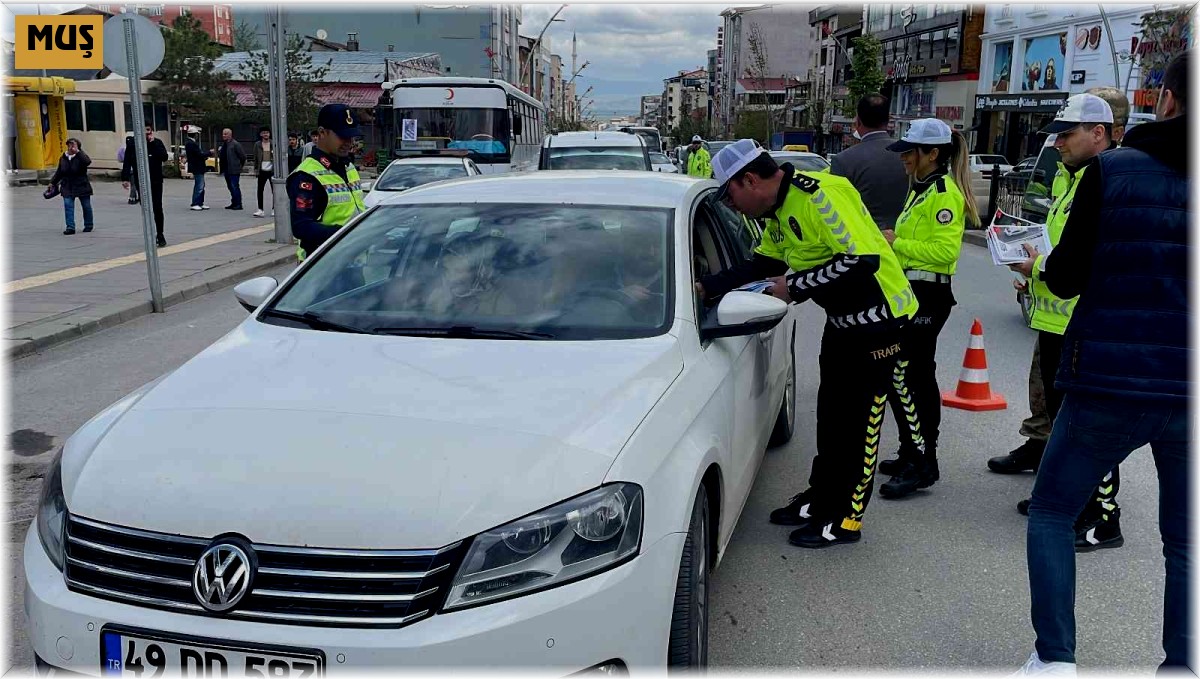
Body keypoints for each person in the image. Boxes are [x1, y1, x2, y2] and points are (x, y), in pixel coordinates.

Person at [1015, 51, 1190, 676]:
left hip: (1108, 382)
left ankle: (1056, 657)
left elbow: (1061, 279)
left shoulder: (1112, 172)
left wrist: (1038, 267)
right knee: (1185, 542)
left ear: (1165, 99)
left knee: (1054, 511)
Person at [696, 140, 919, 548]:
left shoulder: (821, 195)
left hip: (879, 324)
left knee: (859, 427)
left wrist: (793, 287)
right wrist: (706, 287)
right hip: (842, 322)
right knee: (832, 418)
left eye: (731, 196)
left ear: (750, 180)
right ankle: (822, 499)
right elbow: (763, 263)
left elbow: (861, 260)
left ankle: (847, 518)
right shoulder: (777, 211)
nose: (734, 206)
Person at [1007, 94, 1125, 553]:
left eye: (1067, 133)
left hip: (1089, 322)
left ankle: (1104, 519)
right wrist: (1035, 276)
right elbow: (1060, 247)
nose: (1057, 143)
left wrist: (1039, 268)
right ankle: (1071, 501)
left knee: (1089, 424)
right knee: (1063, 420)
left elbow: (1088, 260)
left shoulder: (1109, 179)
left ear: (1099, 132)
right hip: (1059, 319)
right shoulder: (1070, 176)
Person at [872, 119, 979, 498]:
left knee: (910, 377)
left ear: (932, 154)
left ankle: (923, 461)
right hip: (910, 294)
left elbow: (944, 253)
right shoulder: (920, 190)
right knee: (906, 376)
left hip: (928, 297)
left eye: (909, 151)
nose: (902, 157)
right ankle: (910, 451)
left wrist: (896, 242)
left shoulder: (943, 194)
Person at [287, 104, 367, 262]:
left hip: (353, 261)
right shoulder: (307, 175)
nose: (349, 142)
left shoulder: (349, 167)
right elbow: (301, 227)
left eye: (352, 137)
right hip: (323, 267)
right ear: (322, 133)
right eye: (342, 136)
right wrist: (348, 233)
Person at [830, 94, 908, 230]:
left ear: (858, 122)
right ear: (888, 120)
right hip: (904, 238)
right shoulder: (908, 153)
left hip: (863, 240)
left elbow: (837, 210)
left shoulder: (842, 160)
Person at [121, 125, 169, 247]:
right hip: (141, 181)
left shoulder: (157, 142)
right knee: (146, 207)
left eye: (148, 130)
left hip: (156, 180)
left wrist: (153, 144)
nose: (146, 133)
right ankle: (149, 233)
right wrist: (125, 178)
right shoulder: (133, 144)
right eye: (144, 130)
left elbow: (164, 157)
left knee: (157, 207)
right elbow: (127, 161)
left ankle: (160, 233)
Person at [50, 137, 93, 235]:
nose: (70, 147)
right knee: (68, 205)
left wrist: (78, 152)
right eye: (69, 145)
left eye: (73, 145)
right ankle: (70, 227)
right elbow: (59, 172)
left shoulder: (81, 156)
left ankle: (88, 225)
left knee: (86, 206)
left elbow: (87, 162)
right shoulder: (63, 157)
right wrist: (52, 183)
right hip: (67, 185)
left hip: (82, 184)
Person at [218, 128, 246, 210]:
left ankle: (238, 204)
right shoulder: (224, 144)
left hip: (234, 169)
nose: (224, 135)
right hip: (226, 169)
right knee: (230, 187)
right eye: (223, 134)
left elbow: (243, 156)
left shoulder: (235, 144)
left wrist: (239, 166)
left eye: (226, 134)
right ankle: (234, 202)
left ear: (230, 135)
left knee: (235, 186)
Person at [184, 130, 212, 211]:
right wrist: (209, 153)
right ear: (194, 134)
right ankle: (195, 203)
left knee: (201, 185)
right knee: (199, 185)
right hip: (197, 167)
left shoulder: (191, 143)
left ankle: (200, 202)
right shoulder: (191, 144)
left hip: (198, 166)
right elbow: (198, 155)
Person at [252, 127, 276, 218]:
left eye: (267, 132)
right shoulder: (257, 144)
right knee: (260, 190)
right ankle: (260, 209)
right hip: (262, 170)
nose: (266, 134)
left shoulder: (273, 143)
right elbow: (255, 158)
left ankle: (274, 209)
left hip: (272, 170)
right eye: (264, 133)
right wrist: (255, 169)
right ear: (260, 134)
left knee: (275, 191)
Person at [118, 135, 139, 204]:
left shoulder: (122, 148)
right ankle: (132, 198)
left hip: (127, 169)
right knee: (134, 184)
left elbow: (120, 159)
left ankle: (133, 197)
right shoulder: (134, 147)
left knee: (133, 184)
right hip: (133, 169)